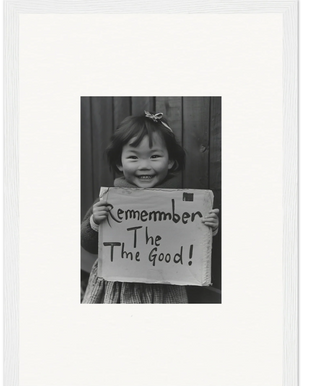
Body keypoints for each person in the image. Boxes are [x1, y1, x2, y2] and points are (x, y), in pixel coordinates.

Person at [81, 111, 219, 303]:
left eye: (154, 156)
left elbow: (190, 242)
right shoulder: (109, 201)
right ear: (120, 163)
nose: (144, 165)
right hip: (118, 287)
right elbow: (87, 243)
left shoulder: (180, 206)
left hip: (165, 287)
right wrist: (95, 222)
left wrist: (207, 227)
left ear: (170, 161)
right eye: (134, 158)